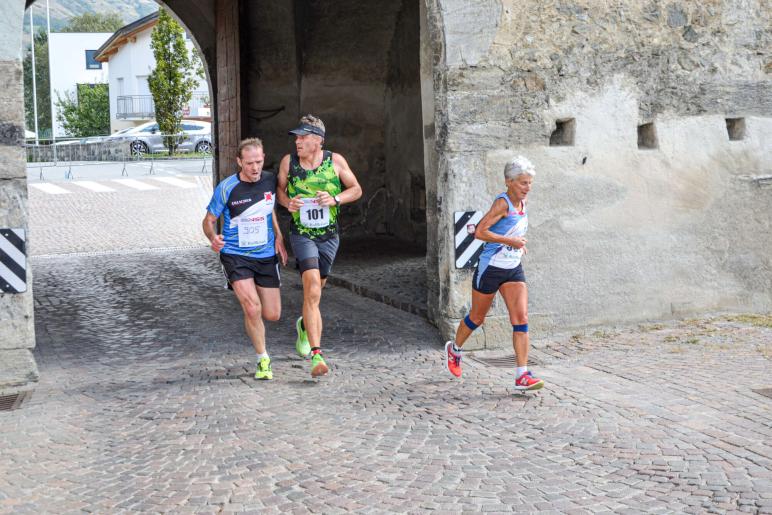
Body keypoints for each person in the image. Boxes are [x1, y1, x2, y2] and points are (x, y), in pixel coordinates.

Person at [444, 155, 544, 391]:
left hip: (513, 269)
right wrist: (511, 241)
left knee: (521, 320)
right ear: (509, 182)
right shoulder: (502, 204)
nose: (527, 188)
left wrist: (517, 245)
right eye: (522, 183)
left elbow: (514, 230)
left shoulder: (523, 203)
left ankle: (522, 375)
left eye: (529, 183)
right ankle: (455, 349)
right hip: (490, 268)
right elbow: (480, 232)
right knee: (477, 318)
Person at [277, 115, 362, 377]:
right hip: (302, 235)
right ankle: (317, 355)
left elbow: (356, 189)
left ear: (318, 140)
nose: (298, 142)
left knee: (315, 293)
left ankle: (304, 324)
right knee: (312, 287)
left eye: (303, 137)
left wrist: (335, 198)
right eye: (297, 137)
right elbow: (279, 192)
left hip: (329, 236)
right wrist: (287, 202)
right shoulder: (288, 162)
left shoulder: (334, 161)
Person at [202, 137, 288, 380]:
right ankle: (263, 359)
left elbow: (269, 207)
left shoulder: (270, 180)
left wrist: (279, 237)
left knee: (272, 314)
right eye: (249, 163)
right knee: (252, 307)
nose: (255, 168)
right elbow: (208, 221)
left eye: (259, 162)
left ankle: (304, 326)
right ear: (239, 162)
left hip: (265, 255)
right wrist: (213, 238)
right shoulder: (227, 188)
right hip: (235, 255)